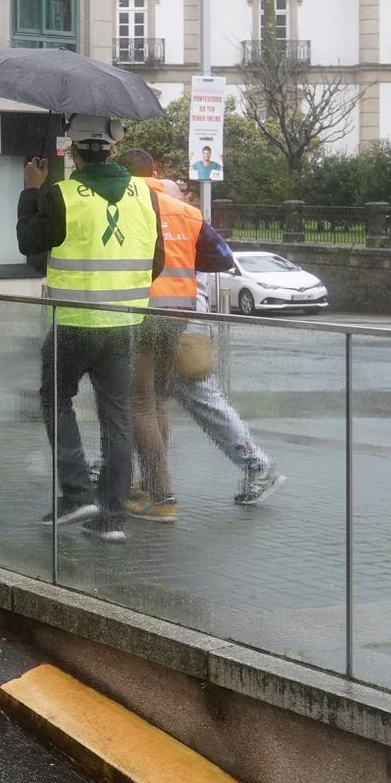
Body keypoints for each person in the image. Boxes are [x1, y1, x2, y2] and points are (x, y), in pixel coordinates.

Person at [17, 116, 164, 544]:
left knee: (55, 398)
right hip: (124, 324)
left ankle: (77, 494)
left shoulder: (62, 194)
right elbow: (158, 261)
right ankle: (113, 517)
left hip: (75, 320)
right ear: (113, 149)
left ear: (73, 152)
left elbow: (29, 243)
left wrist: (31, 190)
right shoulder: (145, 194)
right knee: (116, 414)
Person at [117, 147, 283, 518]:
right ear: (155, 171)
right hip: (185, 313)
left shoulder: (126, 202)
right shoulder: (184, 210)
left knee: (179, 394)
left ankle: (255, 465)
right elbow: (223, 256)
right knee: (152, 396)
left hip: (147, 312)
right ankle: (143, 479)